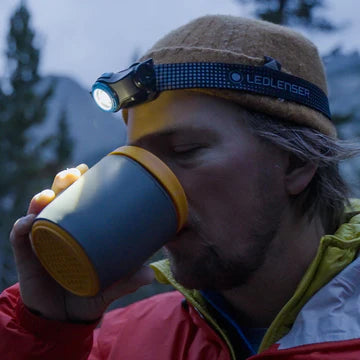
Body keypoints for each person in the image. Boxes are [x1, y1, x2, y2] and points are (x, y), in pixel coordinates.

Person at [1, 14, 360, 360]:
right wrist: (47, 334)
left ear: (296, 161)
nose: (154, 186)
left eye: (185, 151)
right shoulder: (118, 343)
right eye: (136, 163)